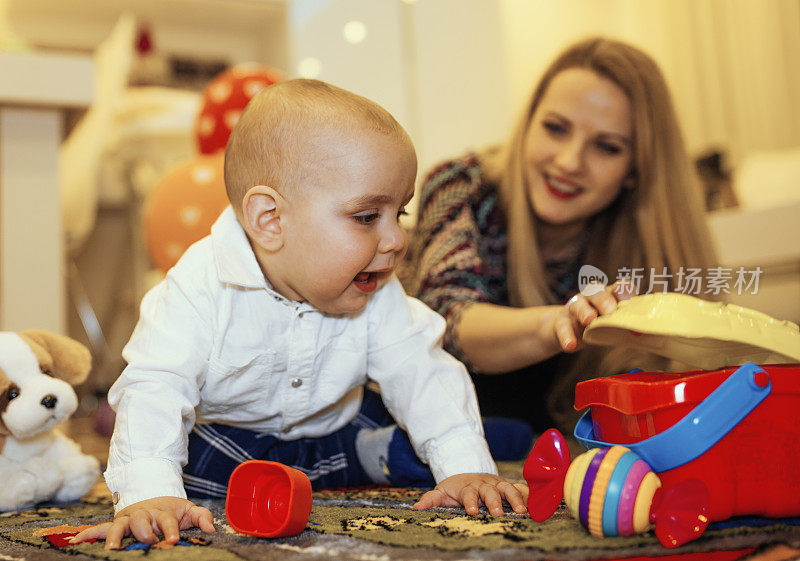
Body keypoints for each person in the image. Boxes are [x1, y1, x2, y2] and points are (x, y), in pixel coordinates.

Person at [71, 79, 527, 549]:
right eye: (368, 217)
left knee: (409, 416)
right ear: (270, 221)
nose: (395, 240)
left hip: (335, 424)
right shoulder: (198, 288)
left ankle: (394, 450)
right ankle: (373, 458)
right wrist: (150, 494)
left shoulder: (376, 287)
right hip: (236, 442)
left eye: (401, 214)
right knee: (195, 470)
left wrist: (466, 466)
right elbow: (157, 387)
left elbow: (422, 369)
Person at [408, 37, 718, 434]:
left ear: (636, 170)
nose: (570, 161)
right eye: (555, 128)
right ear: (528, 124)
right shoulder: (461, 188)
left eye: (606, 147)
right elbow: (444, 319)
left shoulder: (645, 244)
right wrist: (560, 321)